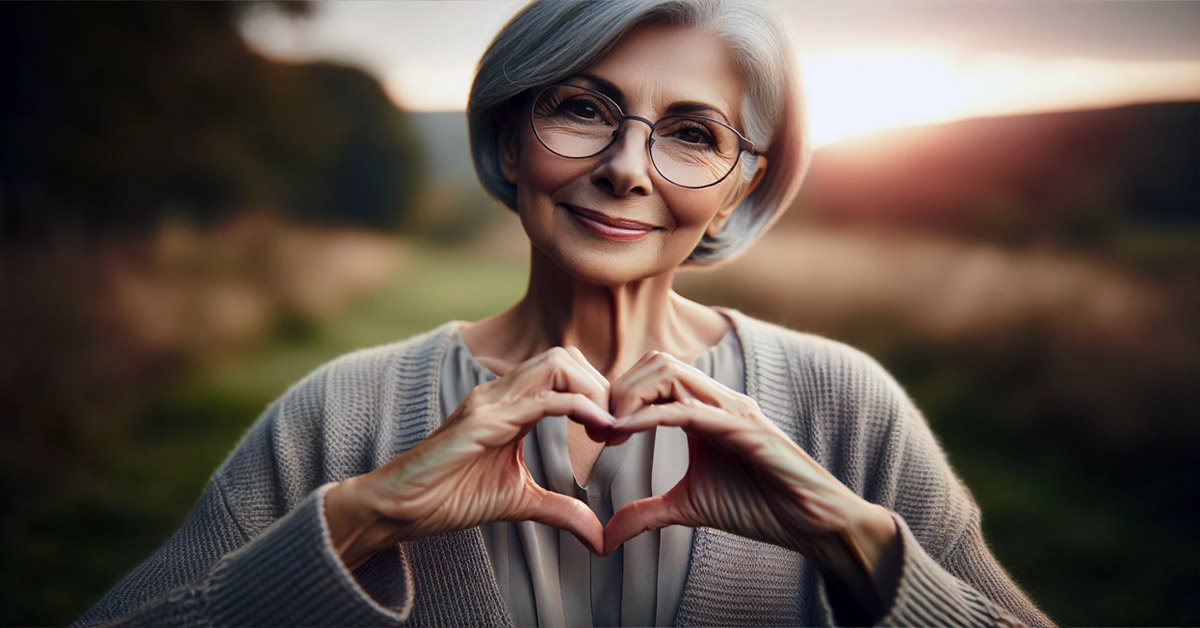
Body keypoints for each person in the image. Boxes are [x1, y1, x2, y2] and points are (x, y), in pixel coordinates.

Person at [74, 0, 1054, 626]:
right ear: (510, 139)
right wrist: (361, 524)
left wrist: (857, 545)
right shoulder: (341, 414)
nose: (625, 167)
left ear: (739, 189)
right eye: (583, 107)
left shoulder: (843, 404)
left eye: (691, 132)